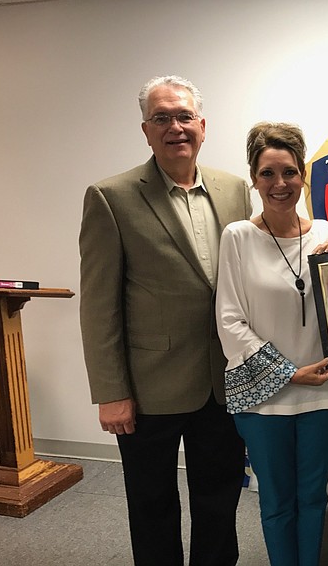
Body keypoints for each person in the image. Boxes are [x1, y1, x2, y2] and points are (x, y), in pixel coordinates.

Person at [79, 75, 252, 565]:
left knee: (219, 499)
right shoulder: (110, 197)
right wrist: (111, 392)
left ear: (202, 125)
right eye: (161, 118)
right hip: (148, 385)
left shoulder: (235, 189)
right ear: (146, 130)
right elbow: (98, 305)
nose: (174, 127)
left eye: (183, 117)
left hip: (223, 379)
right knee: (152, 503)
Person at [216, 122, 328, 566]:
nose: (279, 184)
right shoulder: (238, 236)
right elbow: (229, 320)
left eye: (288, 172)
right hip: (265, 396)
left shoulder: (326, 234)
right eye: (267, 173)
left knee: (313, 497)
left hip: (323, 390)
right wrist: (289, 373)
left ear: (302, 175)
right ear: (253, 178)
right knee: (276, 502)